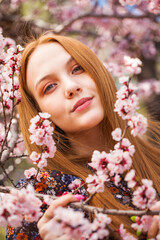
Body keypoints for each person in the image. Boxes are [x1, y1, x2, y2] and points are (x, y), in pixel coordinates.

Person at [6, 33, 160, 240]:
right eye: (49, 87)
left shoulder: (156, 158)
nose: (71, 87)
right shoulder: (35, 200)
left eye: (77, 68)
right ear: (38, 111)